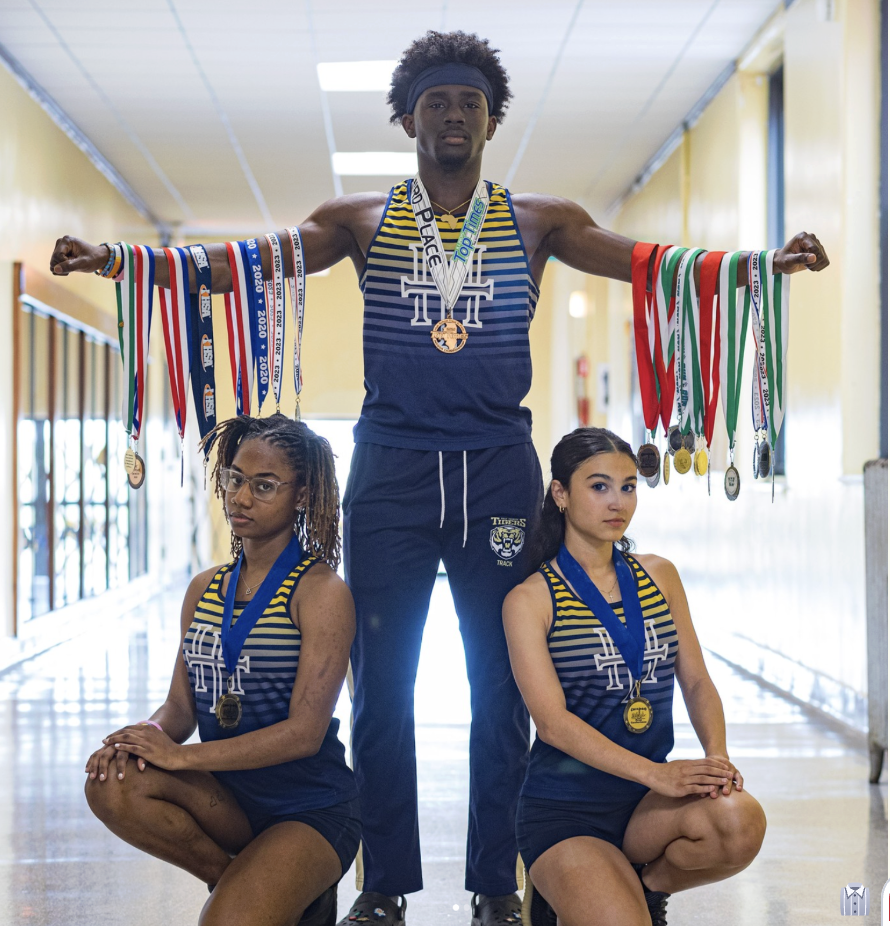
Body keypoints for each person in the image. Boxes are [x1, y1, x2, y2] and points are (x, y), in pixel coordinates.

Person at [52, 29, 825, 926]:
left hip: (499, 470)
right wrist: (119, 262)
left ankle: (498, 884)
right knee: (383, 688)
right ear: (407, 118)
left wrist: (758, 269)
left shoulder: (539, 220)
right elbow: (247, 264)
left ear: (491, 118)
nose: (453, 115)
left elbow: (647, 262)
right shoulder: (361, 220)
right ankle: (384, 885)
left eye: (469, 102)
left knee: (501, 691)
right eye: (435, 102)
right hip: (395, 470)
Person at [84, 413, 360, 926]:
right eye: (235, 479)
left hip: (308, 807)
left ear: (301, 496)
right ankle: (235, 876)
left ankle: (282, 885)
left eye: (264, 486)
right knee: (111, 780)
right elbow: (178, 710)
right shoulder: (205, 589)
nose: (241, 497)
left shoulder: (321, 592)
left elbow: (304, 733)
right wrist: (138, 737)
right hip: (229, 800)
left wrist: (184, 760)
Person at [503, 428, 767, 926]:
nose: (617, 502)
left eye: (628, 486)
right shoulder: (531, 600)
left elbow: (696, 682)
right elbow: (553, 723)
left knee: (739, 820)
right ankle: (565, 888)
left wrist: (718, 758)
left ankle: (646, 888)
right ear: (560, 493)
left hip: (647, 806)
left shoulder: (658, 575)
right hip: (567, 811)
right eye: (598, 486)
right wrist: (657, 773)